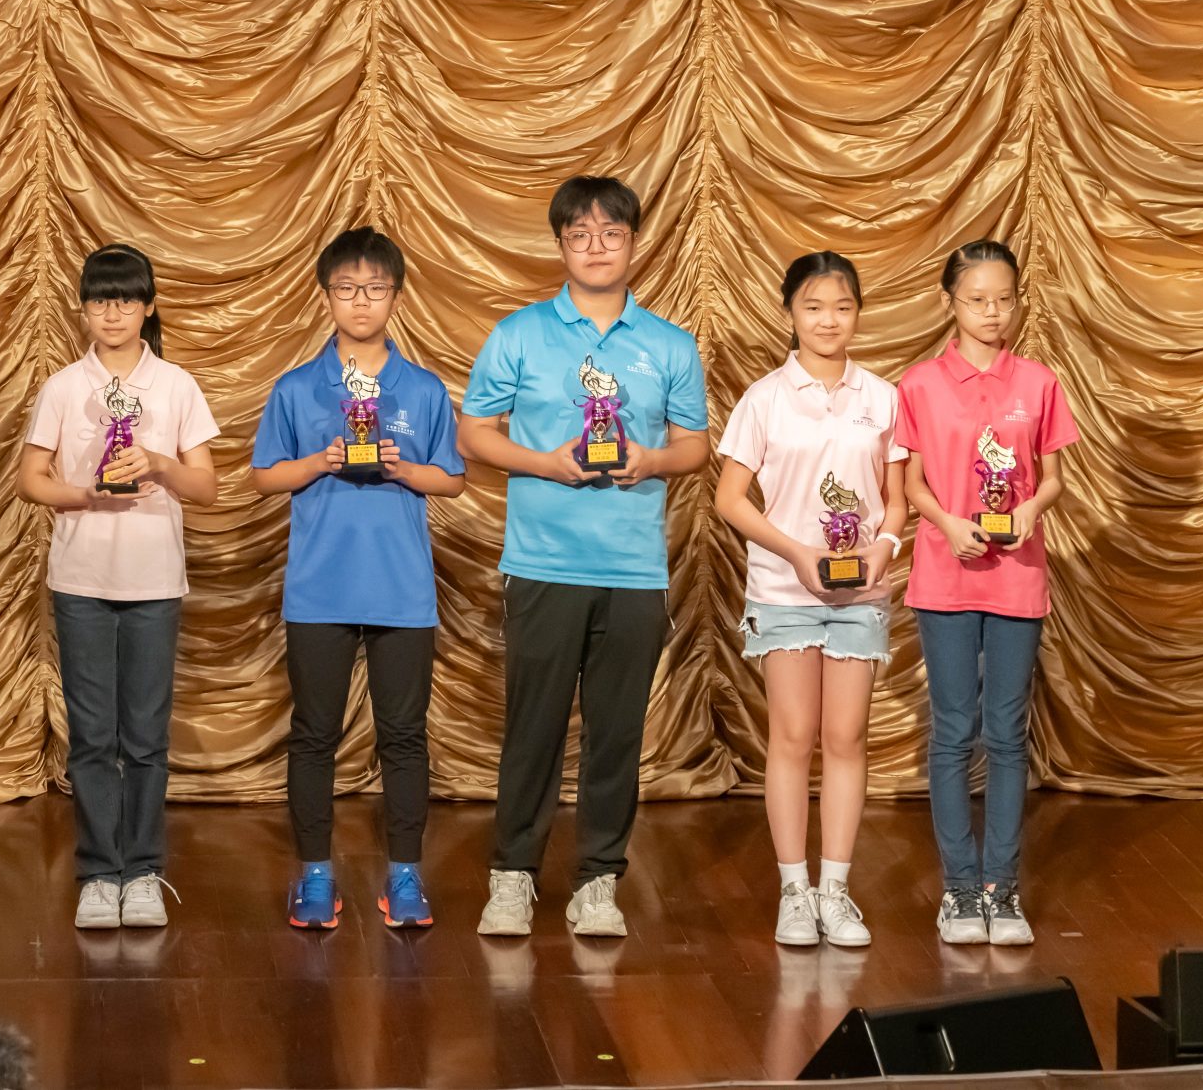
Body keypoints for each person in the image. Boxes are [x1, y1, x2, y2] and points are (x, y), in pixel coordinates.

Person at [461, 175, 708, 939]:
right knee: (532, 727)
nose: (597, 247)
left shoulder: (669, 343)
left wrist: (650, 460)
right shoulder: (520, 333)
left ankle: (599, 879)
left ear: (635, 241)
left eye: (611, 233)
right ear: (561, 244)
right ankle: (512, 876)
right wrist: (546, 462)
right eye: (580, 235)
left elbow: (695, 446)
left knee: (617, 732)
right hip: (543, 562)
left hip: (633, 568)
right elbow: (474, 433)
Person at [249, 227, 466, 931]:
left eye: (375, 288)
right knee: (314, 734)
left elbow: (452, 479)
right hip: (319, 588)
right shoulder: (296, 387)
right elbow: (263, 476)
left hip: (403, 590)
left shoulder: (423, 388)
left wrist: (403, 467)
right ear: (326, 296)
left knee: (403, 736)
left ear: (396, 296)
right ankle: (314, 874)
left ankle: (405, 875)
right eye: (346, 288)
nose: (361, 300)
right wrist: (321, 460)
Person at [18, 245, 219, 930]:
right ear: (82, 309)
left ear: (148, 307)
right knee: (92, 736)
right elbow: (30, 479)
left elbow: (207, 486)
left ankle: (144, 872)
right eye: (100, 300)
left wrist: (159, 464)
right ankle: (100, 874)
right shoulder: (63, 386)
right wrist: (85, 494)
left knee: (146, 738)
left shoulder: (176, 385)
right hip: (81, 580)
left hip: (154, 580)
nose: (113, 312)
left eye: (126, 300)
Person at [713, 252, 907, 948]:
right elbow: (729, 498)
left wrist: (884, 547)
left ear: (859, 312)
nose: (829, 320)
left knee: (847, 737)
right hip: (783, 589)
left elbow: (896, 499)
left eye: (843, 306)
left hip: (860, 591)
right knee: (793, 736)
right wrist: (796, 551)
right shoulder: (764, 397)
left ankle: (836, 890)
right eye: (814, 306)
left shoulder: (882, 397)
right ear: (790, 312)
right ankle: (794, 891)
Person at [897, 238, 1077, 948]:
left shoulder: (1039, 382)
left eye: (1004, 299)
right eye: (977, 299)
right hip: (944, 572)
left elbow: (1052, 477)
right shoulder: (919, 383)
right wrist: (947, 522)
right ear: (950, 302)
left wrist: (1031, 509)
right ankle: (959, 889)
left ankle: (1002, 887)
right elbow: (911, 483)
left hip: (1017, 574)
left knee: (1006, 731)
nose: (992, 311)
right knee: (952, 729)